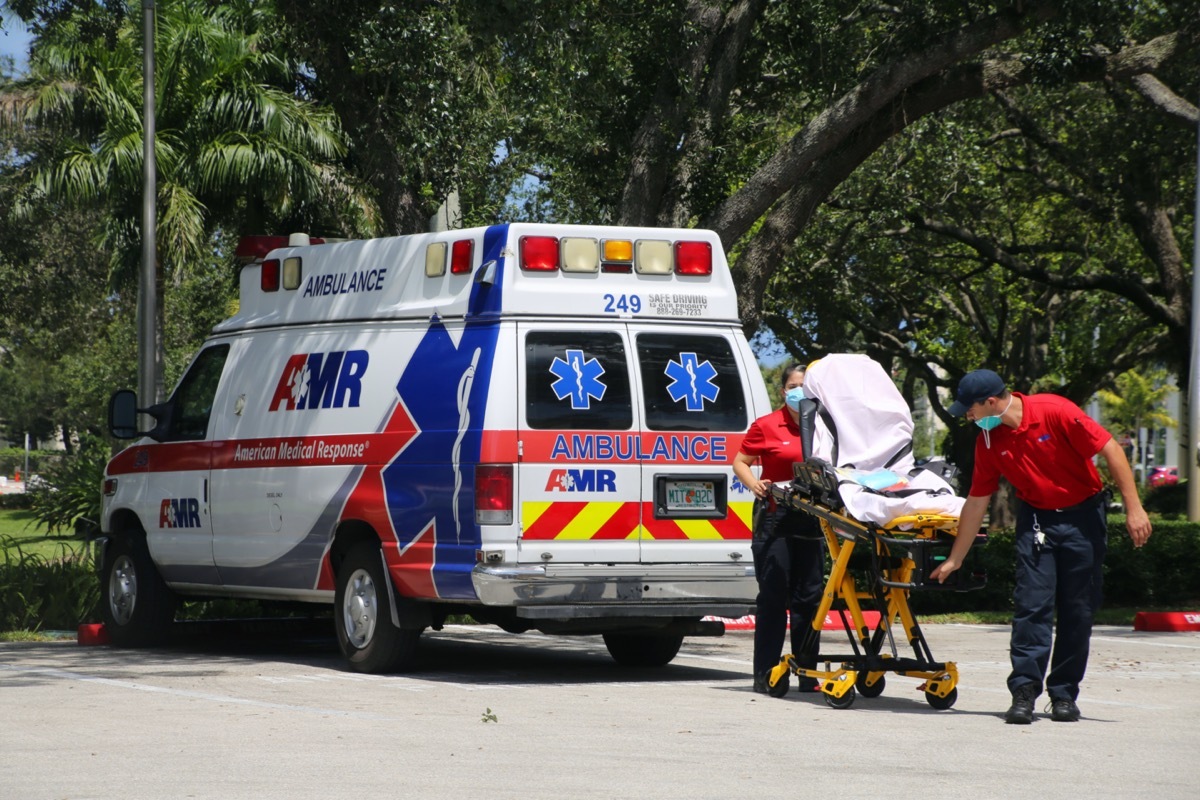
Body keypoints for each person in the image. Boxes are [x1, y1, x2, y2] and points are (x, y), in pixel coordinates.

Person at [931, 369, 1152, 724]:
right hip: (1037, 519)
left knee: (1077, 610)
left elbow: (1109, 447)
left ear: (990, 402)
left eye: (969, 409)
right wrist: (957, 557)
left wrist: (1134, 508)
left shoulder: (1055, 411)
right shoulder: (988, 441)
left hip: (1084, 516)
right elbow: (977, 499)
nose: (967, 417)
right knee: (1031, 606)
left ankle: (1064, 694)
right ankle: (1024, 692)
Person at [733, 363, 826, 695]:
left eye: (804, 385)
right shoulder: (766, 425)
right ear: (783, 390)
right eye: (792, 385)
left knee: (810, 597)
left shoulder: (821, 426)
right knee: (773, 597)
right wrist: (755, 485)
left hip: (813, 517)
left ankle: (807, 673)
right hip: (776, 517)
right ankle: (766, 673)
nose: (798, 391)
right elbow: (740, 462)